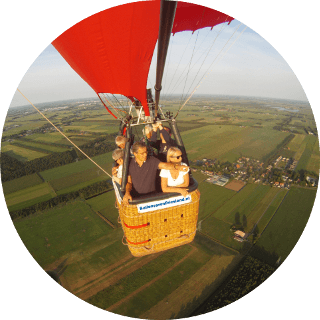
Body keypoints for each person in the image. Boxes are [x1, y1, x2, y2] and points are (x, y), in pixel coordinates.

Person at [123, 142, 189, 205]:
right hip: (137, 199)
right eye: (142, 153)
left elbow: (164, 166)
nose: (145, 154)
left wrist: (178, 167)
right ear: (135, 154)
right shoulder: (130, 164)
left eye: (146, 152)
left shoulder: (151, 160)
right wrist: (127, 193)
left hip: (152, 198)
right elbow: (129, 182)